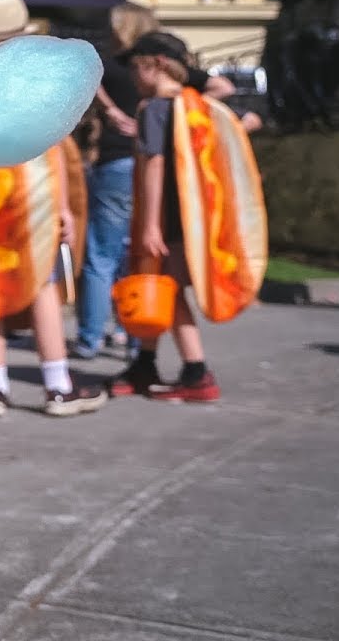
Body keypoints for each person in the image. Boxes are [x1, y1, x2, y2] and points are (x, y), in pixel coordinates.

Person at [0, 0, 108, 418]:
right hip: (31, 198)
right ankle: (58, 386)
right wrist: (62, 207)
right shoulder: (36, 81)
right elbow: (53, 147)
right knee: (43, 286)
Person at [109, 31, 221, 401]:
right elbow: (246, 121)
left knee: (167, 294)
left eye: (135, 68)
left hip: (165, 219)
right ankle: (145, 362)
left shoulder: (154, 108)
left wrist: (151, 224)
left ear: (154, 64)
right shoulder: (193, 104)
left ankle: (196, 372)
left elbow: (153, 164)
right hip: (191, 216)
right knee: (157, 287)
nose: (132, 78)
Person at [72, 3, 158, 360]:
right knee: (132, 251)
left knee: (100, 255)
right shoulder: (154, 68)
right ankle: (132, 331)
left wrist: (108, 109)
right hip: (148, 163)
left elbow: (80, 75)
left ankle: (91, 337)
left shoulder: (111, 66)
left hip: (113, 161)